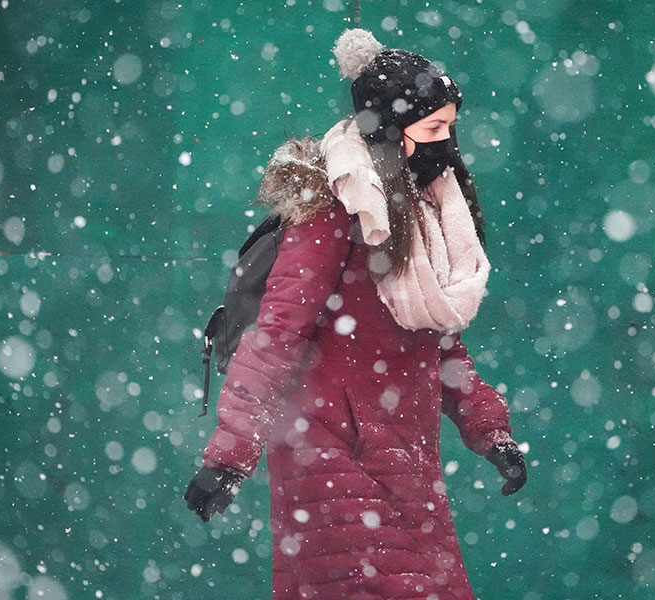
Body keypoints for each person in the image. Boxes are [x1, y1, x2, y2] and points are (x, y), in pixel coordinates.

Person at [184, 28, 528, 600]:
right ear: (393, 130)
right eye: (435, 128)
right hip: (327, 450)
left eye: (450, 128)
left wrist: (491, 432)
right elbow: (277, 333)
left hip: (404, 455)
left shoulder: (422, 215)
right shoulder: (333, 212)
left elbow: (439, 343)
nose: (448, 144)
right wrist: (228, 458)